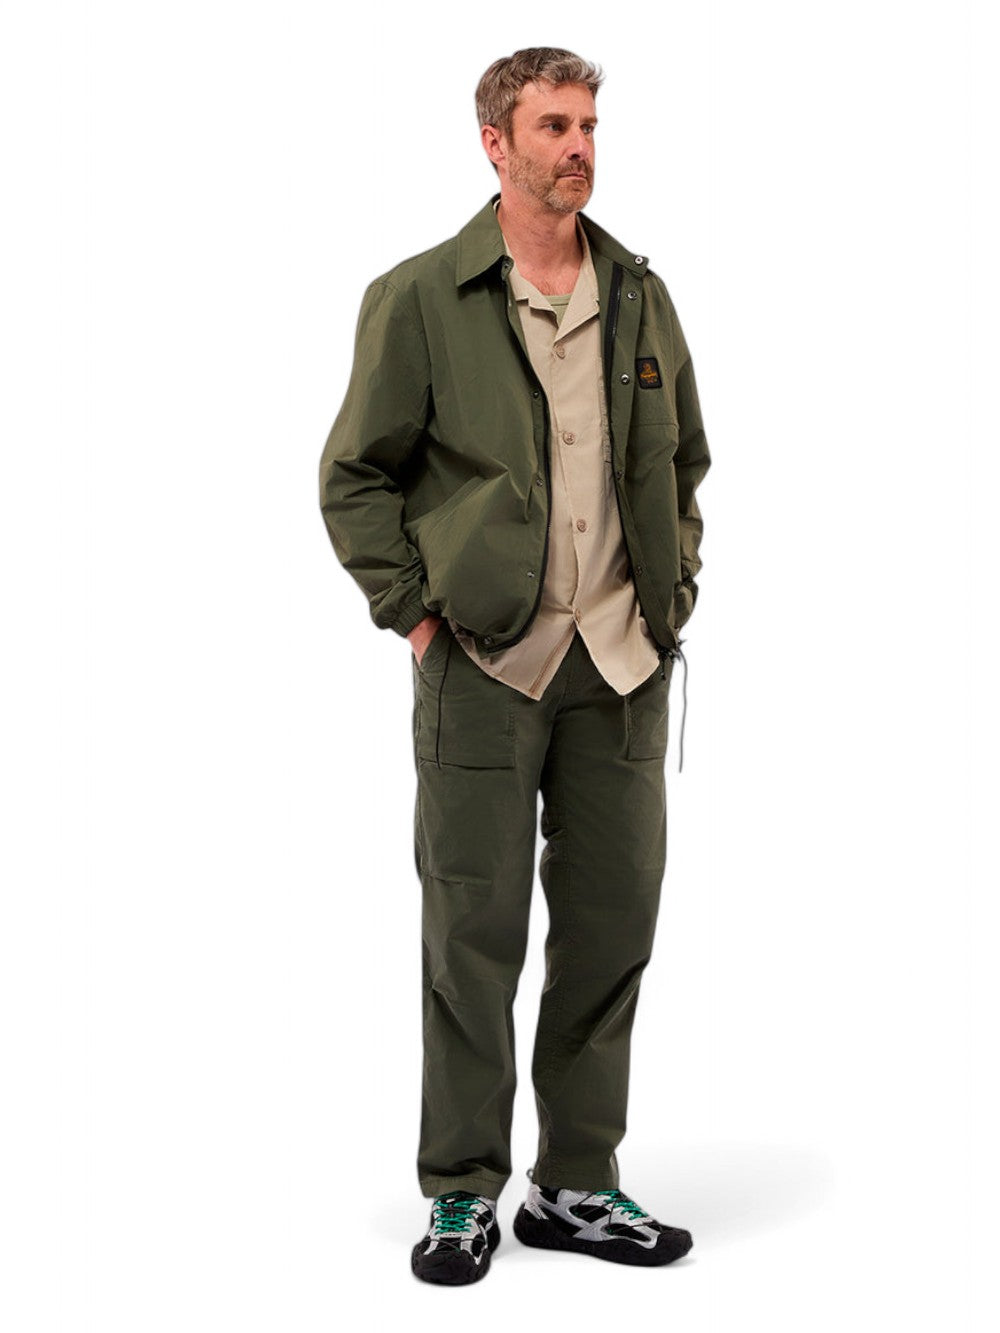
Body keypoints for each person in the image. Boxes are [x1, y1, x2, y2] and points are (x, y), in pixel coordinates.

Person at [319, 46, 711, 1286]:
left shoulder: (639, 293)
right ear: (494, 142)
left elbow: (684, 461)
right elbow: (354, 475)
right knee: (470, 936)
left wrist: (671, 594)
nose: (578, 146)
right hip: (483, 664)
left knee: (610, 927)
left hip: (621, 662)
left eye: (588, 123)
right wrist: (414, 614)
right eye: (552, 125)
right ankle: (461, 1188)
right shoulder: (421, 297)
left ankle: (576, 1183)